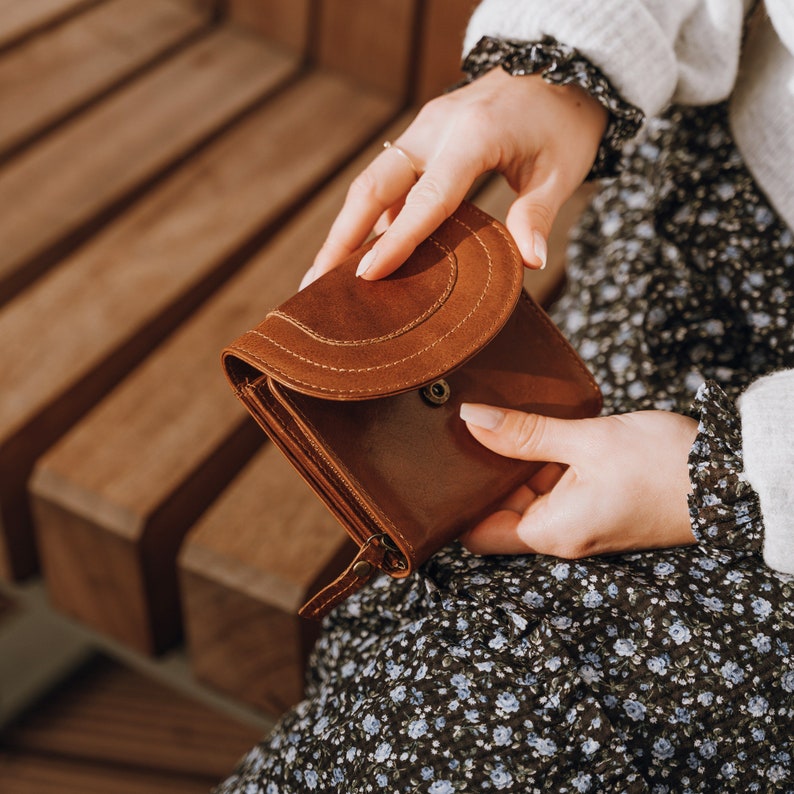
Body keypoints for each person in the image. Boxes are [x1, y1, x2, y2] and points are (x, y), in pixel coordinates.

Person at [216, 1, 793, 790]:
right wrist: (562, 67)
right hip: (714, 223)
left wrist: (741, 472)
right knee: (446, 600)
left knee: (485, 695)